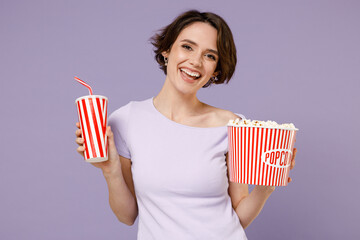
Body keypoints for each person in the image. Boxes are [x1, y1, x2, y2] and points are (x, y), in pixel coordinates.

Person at [75, 10, 297, 240]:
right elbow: (127, 216)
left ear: (216, 71)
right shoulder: (127, 119)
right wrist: (111, 171)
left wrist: (265, 188)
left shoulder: (232, 125)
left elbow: (238, 216)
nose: (195, 62)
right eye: (187, 47)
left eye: (210, 56)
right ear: (167, 50)